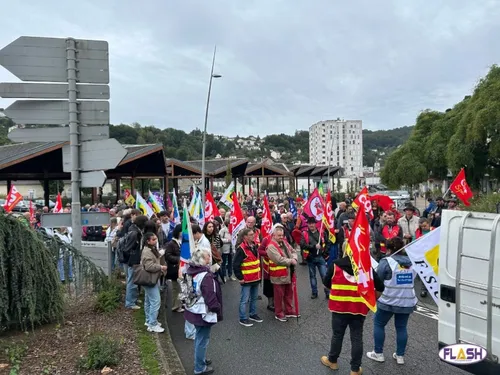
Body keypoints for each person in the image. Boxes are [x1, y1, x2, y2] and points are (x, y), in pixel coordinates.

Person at [320, 248, 385, 375]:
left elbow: (326, 283)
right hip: (359, 309)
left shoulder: (335, 265)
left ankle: (332, 361)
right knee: (356, 338)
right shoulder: (366, 268)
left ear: (345, 250)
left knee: (337, 335)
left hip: (339, 308)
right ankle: (355, 369)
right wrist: (371, 300)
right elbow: (380, 287)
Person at [366, 237, 417, 365]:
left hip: (387, 300)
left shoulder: (386, 262)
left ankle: (378, 353)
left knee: (379, 324)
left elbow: (378, 280)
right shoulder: (413, 262)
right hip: (406, 302)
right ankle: (400, 356)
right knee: (401, 327)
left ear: (388, 249)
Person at [184, 248, 223, 375]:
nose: (209, 259)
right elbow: (210, 297)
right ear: (202, 260)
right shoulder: (206, 276)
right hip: (203, 312)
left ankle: (200, 359)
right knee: (202, 339)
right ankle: (199, 368)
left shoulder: (190, 271)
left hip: (193, 308)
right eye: (207, 257)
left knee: (199, 337)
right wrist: (217, 308)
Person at [266, 226, 298, 322]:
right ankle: (279, 313)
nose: (281, 237)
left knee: (289, 293)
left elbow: (293, 251)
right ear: (274, 235)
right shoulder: (271, 247)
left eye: (282, 235)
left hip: (288, 273)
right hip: (278, 275)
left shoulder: (284, 243)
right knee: (279, 295)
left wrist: (295, 258)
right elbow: (279, 260)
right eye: (279, 235)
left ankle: (289, 310)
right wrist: (291, 261)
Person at [233, 228, 263, 327]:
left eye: (253, 234)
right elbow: (235, 265)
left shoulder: (255, 246)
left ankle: (252, 314)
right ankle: (243, 318)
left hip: (256, 278)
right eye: (250, 235)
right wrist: (240, 278)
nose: (252, 236)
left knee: (254, 298)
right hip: (246, 279)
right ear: (245, 237)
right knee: (244, 300)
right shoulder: (241, 249)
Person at [141, 232, 167, 333]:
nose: (155, 241)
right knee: (156, 301)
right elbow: (149, 266)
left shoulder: (151, 249)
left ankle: (149, 320)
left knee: (148, 301)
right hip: (150, 278)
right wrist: (161, 267)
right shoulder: (147, 251)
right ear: (148, 241)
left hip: (152, 278)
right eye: (153, 239)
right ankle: (152, 324)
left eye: (156, 239)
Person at [300, 217, 328, 299]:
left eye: (312, 223)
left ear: (315, 224)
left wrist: (325, 253)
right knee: (312, 276)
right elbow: (302, 245)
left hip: (320, 257)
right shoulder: (304, 233)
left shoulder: (321, 233)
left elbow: (327, 242)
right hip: (310, 258)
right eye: (309, 223)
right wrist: (314, 246)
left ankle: (327, 292)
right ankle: (314, 292)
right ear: (307, 224)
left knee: (324, 276)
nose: (311, 225)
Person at [125, 215, 148, 310]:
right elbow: (128, 248)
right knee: (132, 281)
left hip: (134, 260)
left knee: (134, 280)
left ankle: (133, 299)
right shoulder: (135, 233)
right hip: (133, 260)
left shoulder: (134, 231)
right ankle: (130, 302)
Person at [165, 224, 183, 312]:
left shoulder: (181, 242)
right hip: (175, 268)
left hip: (181, 268)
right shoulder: (171, 243)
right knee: (176, 287)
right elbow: (168, 256)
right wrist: (178, 259)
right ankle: (175, 306)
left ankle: (179, 304)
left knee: (180, 287)